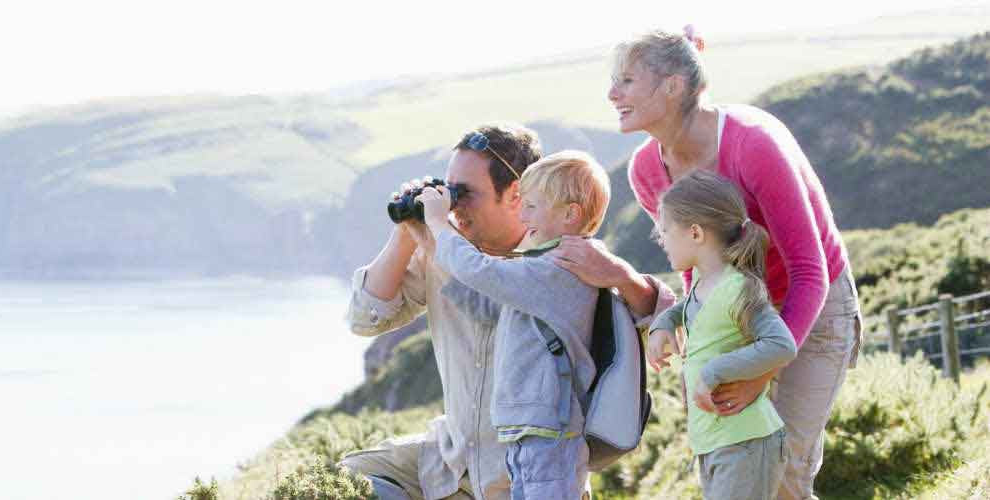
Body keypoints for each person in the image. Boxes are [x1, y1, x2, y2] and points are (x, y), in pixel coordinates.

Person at [552, 26, 861, 499]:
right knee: (740, 468)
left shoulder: (754, 145)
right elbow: (697, 269)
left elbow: (809, 269)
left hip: (810, 307)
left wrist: (762, 369)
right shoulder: (646, 171)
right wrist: (684, 333)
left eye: (627, 81)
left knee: (785, 470)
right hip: (733, 315)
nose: (612, 93)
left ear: (672, 86)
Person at [340, 124, 675, 500]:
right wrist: (407, 230)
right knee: (346, 481)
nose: (452, 205)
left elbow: (657, 308)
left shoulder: (562, 261)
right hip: (451, 459)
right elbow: (364, 317)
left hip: (529, 468)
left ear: (515, 194)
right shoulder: (449, 251)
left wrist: (622, 276)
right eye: (448, 190)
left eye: (464, 193)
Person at [418, 150, 611, 499]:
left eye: (533, 206)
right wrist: (429, 244)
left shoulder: (557, 269)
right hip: (534, 430)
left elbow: (481, 271)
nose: (522, 215)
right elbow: (490, 306)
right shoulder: (545, 267)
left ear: (571, 214)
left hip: (551, 432)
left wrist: (437, 224)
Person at [646, 171, 798, 499]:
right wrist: (663, 323)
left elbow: (781, 345)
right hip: (715, 442)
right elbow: (692, 307)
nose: (661, 240)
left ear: (696, 233)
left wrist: (713, 372)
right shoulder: (704, 282)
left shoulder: (739, 287)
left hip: (745, 441)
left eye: (665, 231)